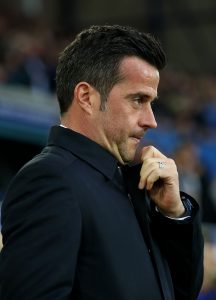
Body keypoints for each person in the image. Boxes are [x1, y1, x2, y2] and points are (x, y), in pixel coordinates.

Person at [0, 24, 204, 300]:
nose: (151, 120)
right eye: (138, 100)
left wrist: (173, 214)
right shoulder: (48, 180)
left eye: (152, 102)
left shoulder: (137, 185)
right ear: (86, 97)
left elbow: (182, 292)